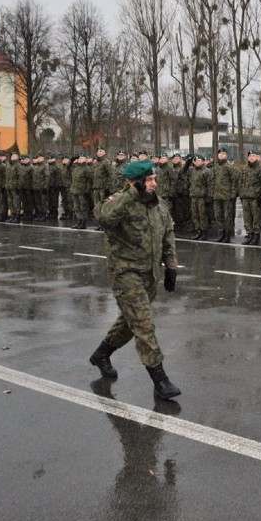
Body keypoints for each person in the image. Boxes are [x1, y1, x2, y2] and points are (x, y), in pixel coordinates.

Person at [90, 160, 181, 400]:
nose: (154, 183)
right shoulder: (119, 202)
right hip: (125, 273)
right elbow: (104, 217)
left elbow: (168, 235)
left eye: (154, 179)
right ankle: (160, 380)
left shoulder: (159, 205)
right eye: (149, 180)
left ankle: (101, 354)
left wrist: (171, 266)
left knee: (131, 322)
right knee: (143, 324)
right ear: (135, 182)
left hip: (149, 274)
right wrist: (132, 193)